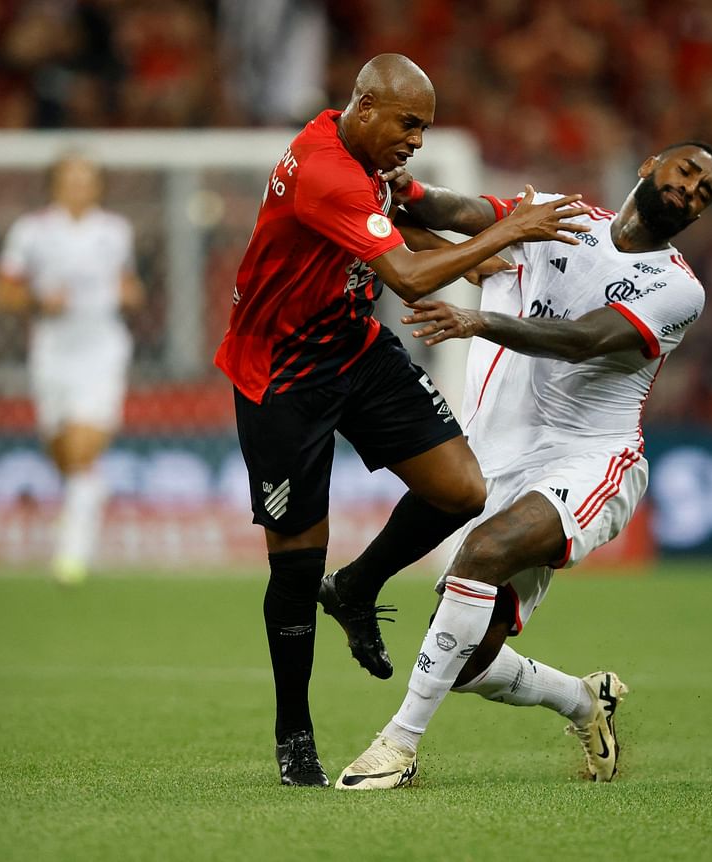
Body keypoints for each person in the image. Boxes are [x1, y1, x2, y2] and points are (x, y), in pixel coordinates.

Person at [212, 53, 590, 788]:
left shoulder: (365, 155)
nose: (416, 139)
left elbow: (400, 219)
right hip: (281, 374)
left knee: (462, 490)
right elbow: (408, 277)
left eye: (424, 128)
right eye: (409, 124)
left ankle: (356, 589)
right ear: (365, 105)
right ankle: (294, 733)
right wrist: (504, 237)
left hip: (353, 345)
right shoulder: (324, 169)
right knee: (294, 564)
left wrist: (463, 247)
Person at [334, 141, 712, 789]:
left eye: (704, 192)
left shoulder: (678, 287)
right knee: (462, 659)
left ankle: (397, 748)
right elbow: (456, 211)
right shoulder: (553, 217)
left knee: (483, 553)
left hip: (594, 460)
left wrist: (476, 321)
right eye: (686, 172)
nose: (690, 190)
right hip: (501, 463)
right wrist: (400, 192)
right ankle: (582, 700)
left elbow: (583, 340)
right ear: (648, 164)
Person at [0, 152, 144, 585]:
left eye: (86, 178)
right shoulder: (31, 231)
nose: (79, 185)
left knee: (81, 448)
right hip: (52, 352)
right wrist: (39, 303)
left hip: (102, 350)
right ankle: (91, 494)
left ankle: (72, 557)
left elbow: (129, 285)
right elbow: (2, 292)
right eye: (70, 178)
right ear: (55, 183)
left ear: (97, 185)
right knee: (63, 453)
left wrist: (130, 293)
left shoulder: (115, 231)